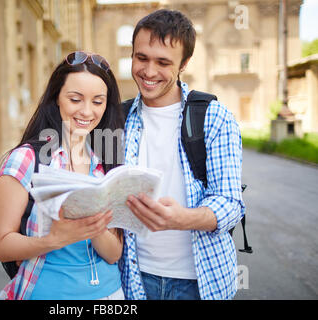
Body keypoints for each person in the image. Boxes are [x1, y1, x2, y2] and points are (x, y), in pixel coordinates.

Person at [119, 9, 245, 300]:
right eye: (142, 58)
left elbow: (230, 204)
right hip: (131, 278)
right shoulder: (118, 118)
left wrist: (180, 218)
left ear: (184, 63)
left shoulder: (215, 117)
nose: (149, 72)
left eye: (163, 62)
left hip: (199, 281)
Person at [0, 52, 125, 300]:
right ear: (56, 99)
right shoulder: (27, 159)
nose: (87, 111)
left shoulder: (106, 162)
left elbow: (113, 253)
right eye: (75, 99)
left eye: (98, 102)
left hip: (110, 295)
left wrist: (92, 225)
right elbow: (2, 246)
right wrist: (54, 240)